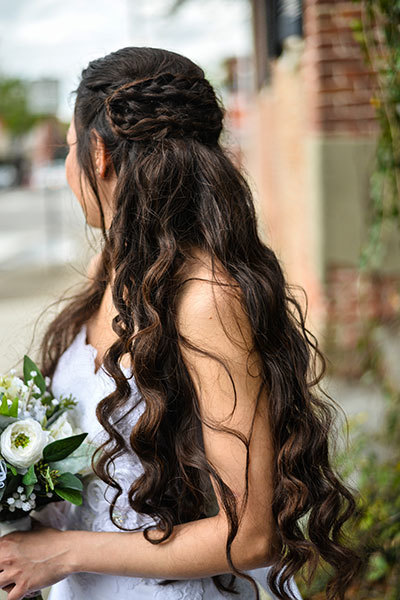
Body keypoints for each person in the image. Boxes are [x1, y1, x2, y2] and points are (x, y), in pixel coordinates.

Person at [0, 47, 361, 600]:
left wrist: (63, 552)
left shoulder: (205, 300)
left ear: (98, 154)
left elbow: (252, 536)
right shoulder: (116, 267)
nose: (71, 170)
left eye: (71, 151)